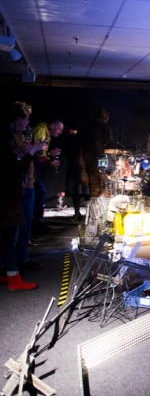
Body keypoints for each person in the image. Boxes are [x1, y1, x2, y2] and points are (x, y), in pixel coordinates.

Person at [1, 101, 46, 291]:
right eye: (25, 118)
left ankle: (8, 272)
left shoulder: (10, 137)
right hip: (9, 194)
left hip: (12, 191)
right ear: (17, 119)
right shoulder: (7, 141)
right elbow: (17, 167)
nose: (27, 123)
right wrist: (33, 151)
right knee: (10, 236)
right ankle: (14, 278)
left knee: (8, 236)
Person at [31, 118, 64, 231]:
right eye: (59, 129)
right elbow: (35, 152)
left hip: (38, 167)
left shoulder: (46, 133)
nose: (60, 132)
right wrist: (49, 155)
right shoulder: (41, 131)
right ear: (52, 126)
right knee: (40, 192)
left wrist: (50, 155)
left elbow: (41, 154)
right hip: (33, 167)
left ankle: (37, 221)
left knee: (39, 193)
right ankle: (37, 222)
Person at [80, 108, 114, 198]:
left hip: (88, 162)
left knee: (94, 189)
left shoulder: (87, 127)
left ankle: (93, 210)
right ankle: (97, 211)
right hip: (98, 163)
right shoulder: (103, 127)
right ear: (106, 117)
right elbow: (101, 148)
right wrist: (102, 167)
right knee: (99, 189)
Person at [63, 122, 88, 222]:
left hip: (81, 167)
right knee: (75, 192)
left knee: (85, 192)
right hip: (74, 167)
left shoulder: (81, 139)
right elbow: (67, 152)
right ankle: (77, 213)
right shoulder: (70, 138)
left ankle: (86, 214)